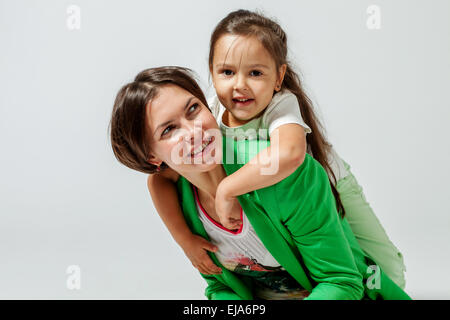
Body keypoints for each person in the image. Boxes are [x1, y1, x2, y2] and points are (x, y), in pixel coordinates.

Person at [146, 9, 406, 288]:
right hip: (282, 200)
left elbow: (289, 154)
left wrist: (227, 188)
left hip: (331, 184)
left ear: (278, 77)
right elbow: (159, 179)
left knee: (386, 270)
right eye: (227, 72)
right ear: (212, 72)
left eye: (256, 73)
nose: (240, 86)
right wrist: (185, 239)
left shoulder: (281, 106)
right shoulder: (207, 112)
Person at [109, 66, 411, 300]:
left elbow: (341, 281)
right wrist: (184, 239)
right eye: (169, 129)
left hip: (332, 197)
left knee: (387, 267)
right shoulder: (179, 199)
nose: (194, 130)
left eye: (193, 109)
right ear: (152, 157)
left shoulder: (282, 174)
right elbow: (220, 283)